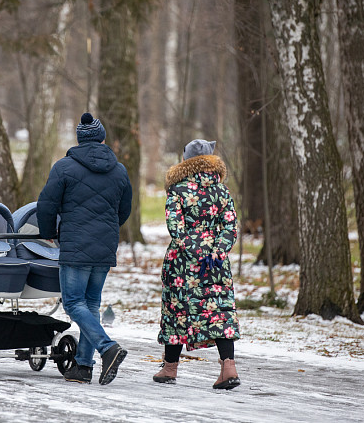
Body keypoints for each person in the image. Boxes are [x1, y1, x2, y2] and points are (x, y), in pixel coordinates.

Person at [37, 112, 133, 385]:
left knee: (73, 302)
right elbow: (124, 209)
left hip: (76, 244)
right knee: (91, 304)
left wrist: (49, 233)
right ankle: (82, 367)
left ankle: (107, 347)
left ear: (79, 140)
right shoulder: (120, 170)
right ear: (102, 139)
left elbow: (46, 204)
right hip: (104, 246)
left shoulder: (64, 167)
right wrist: (107, 230)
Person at [154, 139, 241, 389]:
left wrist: (195, 250)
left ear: (186, 161)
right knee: (219, 312)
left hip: (183, 263)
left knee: (176, 311)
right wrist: (216, 252)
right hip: (215, 263)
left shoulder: (178, 190)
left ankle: (170, 367)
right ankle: (229, 367)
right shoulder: (222, 191)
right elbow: (230, 227)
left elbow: (175, 228)